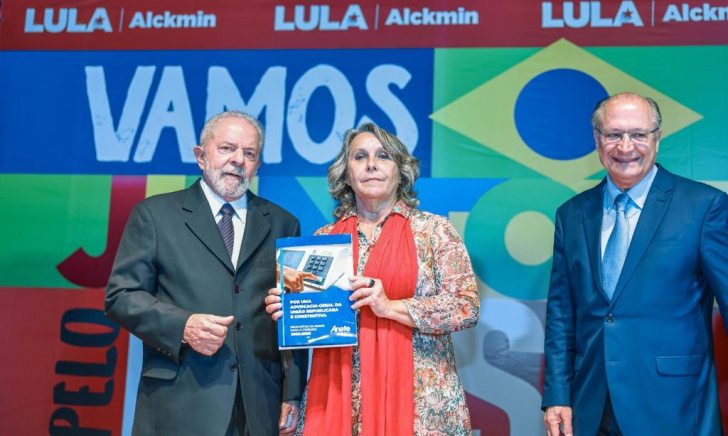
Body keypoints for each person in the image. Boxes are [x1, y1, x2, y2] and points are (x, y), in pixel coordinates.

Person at [265, 123, 480, 435]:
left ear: (401, 172)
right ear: (346, 174)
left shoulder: (434, 231)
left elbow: (466, 307)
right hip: (339, 400)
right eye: (360, 157)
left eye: (383, 156)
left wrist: (390, 307)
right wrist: (288, 310)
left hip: (418, 405)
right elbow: (310, 326)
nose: (371, 164)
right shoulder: (324, 240)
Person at [105, 111, 309, 436]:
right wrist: (183, 326)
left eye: (249, 153)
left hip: (257, 406)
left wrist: (293, 393)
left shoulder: (285, 224)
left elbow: (295, 315)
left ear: (257, 166)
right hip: (179, 402)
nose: (238, 160)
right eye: (227, 148)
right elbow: (121, 296)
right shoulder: (155, 215)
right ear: (201, 156)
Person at [542, 93, 728, 435]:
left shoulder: (704, 206)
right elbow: (561, 316)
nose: (625, 146)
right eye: (614, 134)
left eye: (638, 134)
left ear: (657, 138)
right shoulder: (571, 214)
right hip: (591, 404)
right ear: (597, 139)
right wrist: (557, 395)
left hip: (675, 406)